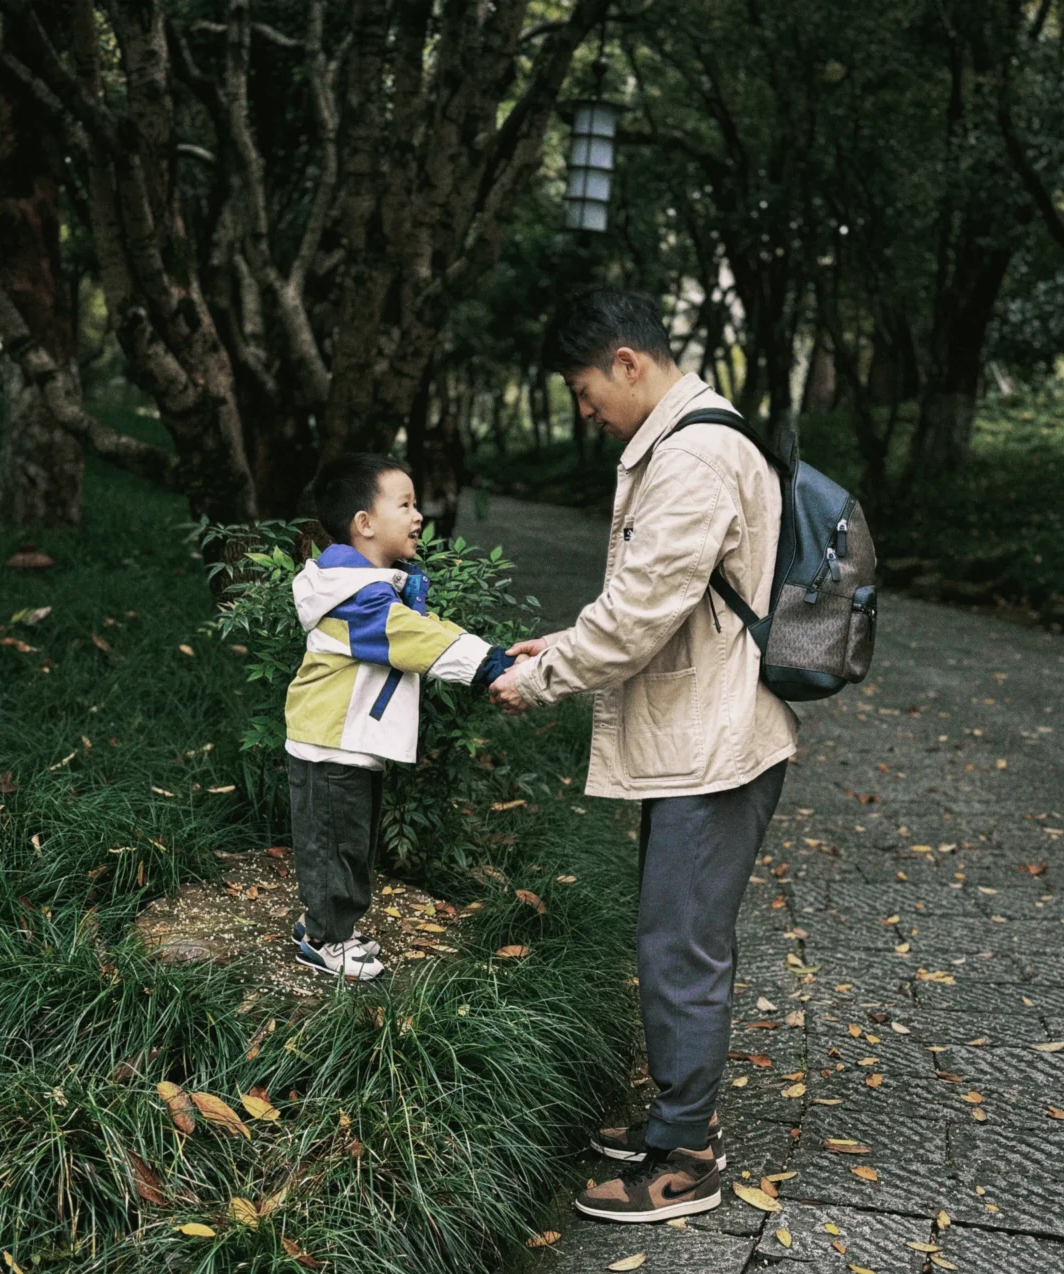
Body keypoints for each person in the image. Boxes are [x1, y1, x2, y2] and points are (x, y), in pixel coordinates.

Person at [490, 290, 798, 1223]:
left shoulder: (695, 454)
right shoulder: (688, 440)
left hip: (717, 744)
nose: (584, 411)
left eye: (586, 389)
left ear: (628, 363)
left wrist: (541, 679)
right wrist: (565, 641)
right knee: (675, 937)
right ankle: (677, 1113)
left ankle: (686, 1156)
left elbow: (635, 620)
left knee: (680, 946)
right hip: (699, 732)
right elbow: (656, 602)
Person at [285, 453, 516, 980]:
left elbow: (422, 626)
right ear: (364, 524)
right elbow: (413, 637)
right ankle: (325, 940)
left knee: (349, 842)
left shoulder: (369, 588)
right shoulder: (356, 600)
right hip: (331, 743)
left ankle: (323, 926)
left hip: (348, 739)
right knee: (334, 846)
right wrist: (488, 665)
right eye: (405, 504)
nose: (419, 515)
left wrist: (492, 655)